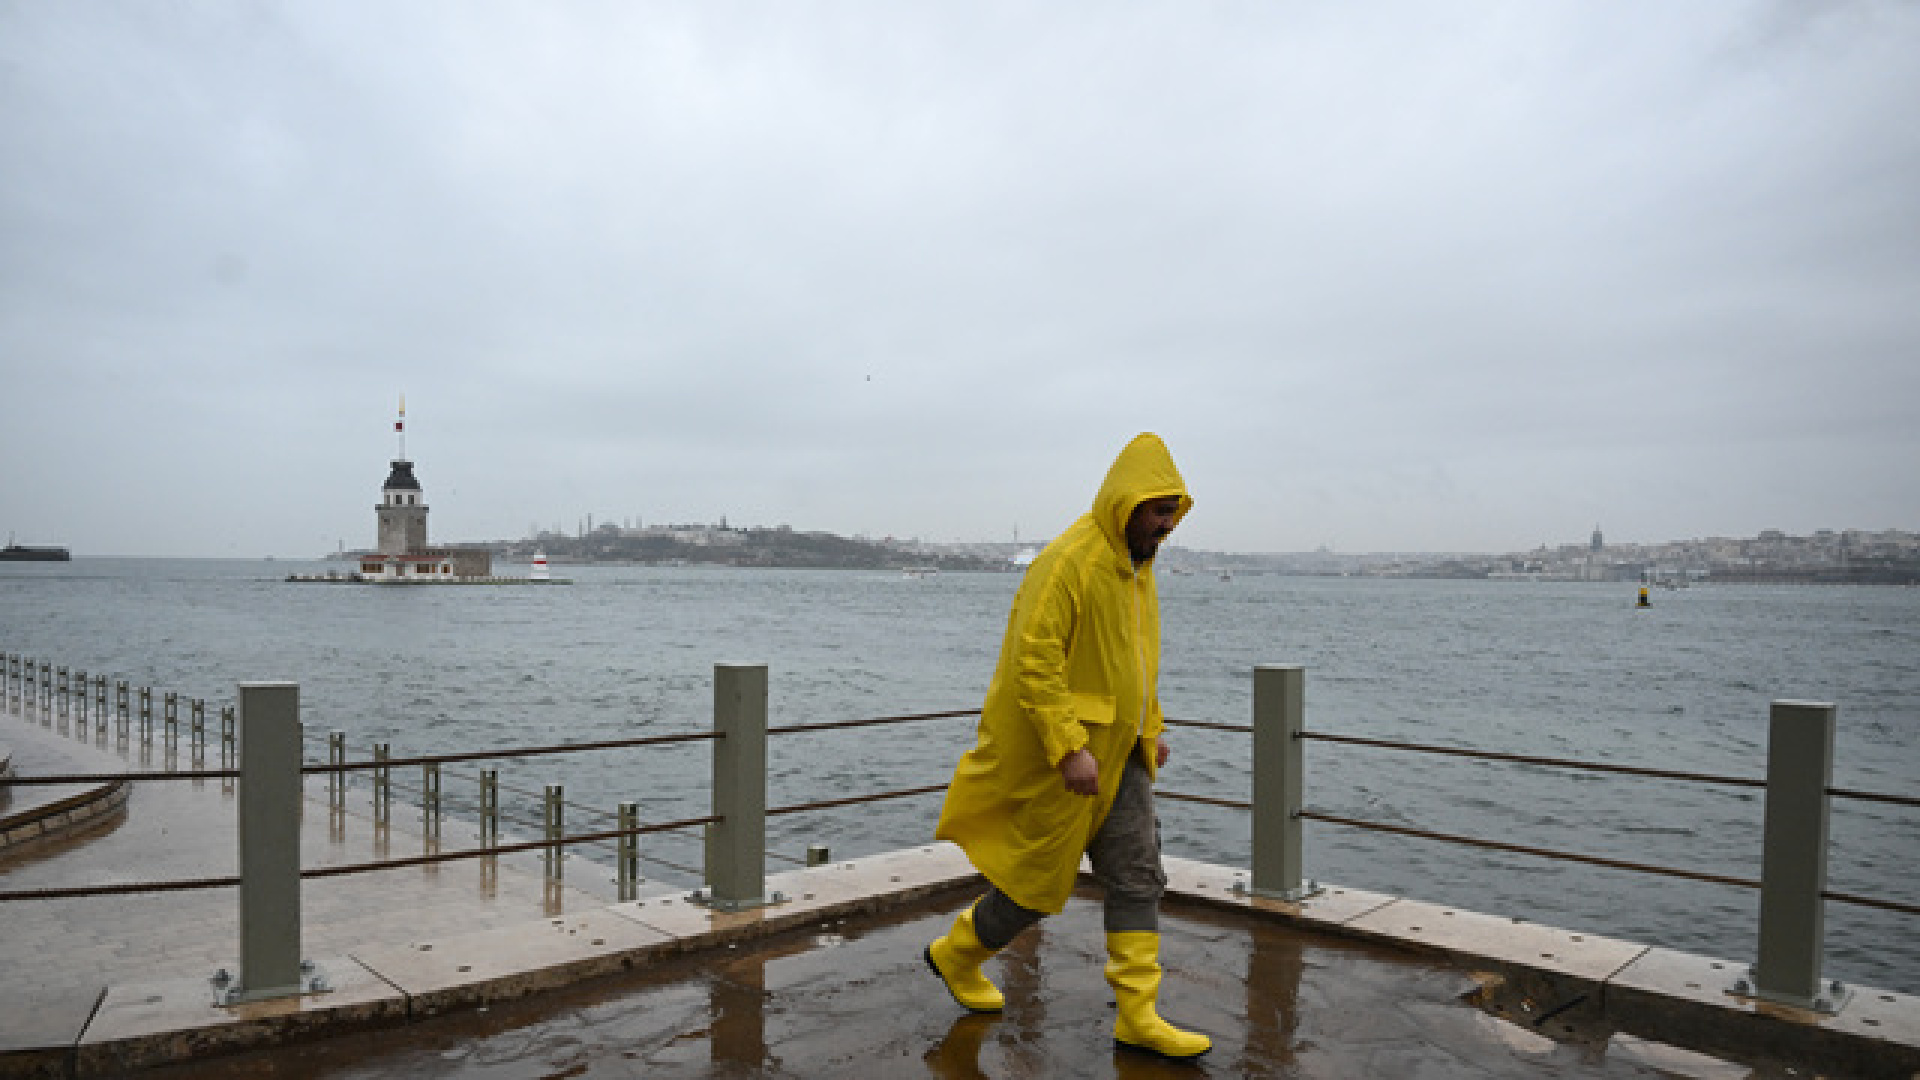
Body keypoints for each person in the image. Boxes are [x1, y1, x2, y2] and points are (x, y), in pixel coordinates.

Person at [925, 432, 1209, 1060]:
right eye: (1157, 512)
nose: (1166, 526)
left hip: (1123, 756)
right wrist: (1066, 747)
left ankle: (1138, 1014)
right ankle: (957, 953)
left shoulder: (1138, 571)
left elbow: (1137, 665)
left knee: (1138, 875)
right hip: (1071, 762)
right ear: (1125, 503)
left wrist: (1151, 730)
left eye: (1172, 513)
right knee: (1034, 888)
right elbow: (1035, 660)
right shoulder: (1068, 561)